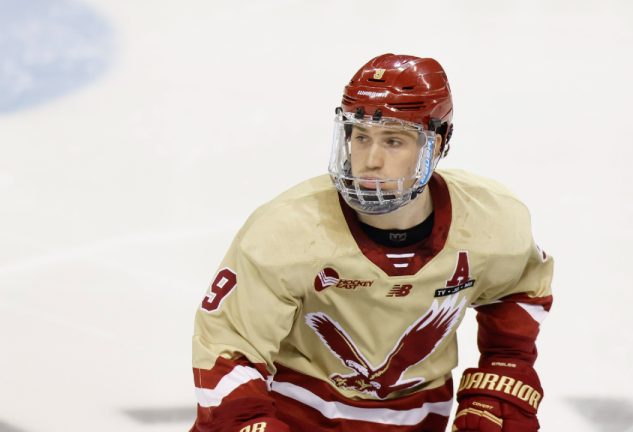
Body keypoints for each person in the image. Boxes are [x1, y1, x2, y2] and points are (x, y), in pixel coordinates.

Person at [190, 53, 554, 432]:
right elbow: (229, 351)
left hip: (418, 419)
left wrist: (502, 376)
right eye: (360, 136)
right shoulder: (287, 231)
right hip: (292, 414)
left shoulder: (490, 220)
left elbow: (519, 288)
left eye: (393, 141)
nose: (370, 160)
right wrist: (247, 422)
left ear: (438, 142)